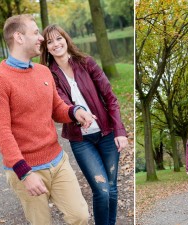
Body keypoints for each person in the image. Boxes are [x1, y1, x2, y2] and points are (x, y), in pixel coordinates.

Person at [0, 14, 96, 225]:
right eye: (35, 33)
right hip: (27, 168)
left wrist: (75, 112)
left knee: (80, 216)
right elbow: (2, 133)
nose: (41, 38)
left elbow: (57, 109)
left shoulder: (44, 72)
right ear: (18, 37)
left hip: (57, 161)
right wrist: (24, 173)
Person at [40, 24, 128, 225]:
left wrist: (120, 131)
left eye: (58, 38)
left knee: (112, 188)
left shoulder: (86, 62)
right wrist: (78, 114)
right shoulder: (49, 75)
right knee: (102, 189)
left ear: (66, 39)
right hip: (81, 140)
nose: (56, 44)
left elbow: (110, 97)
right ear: (46, 48)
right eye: (50, 42)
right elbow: (61, 104)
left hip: (107, 133)